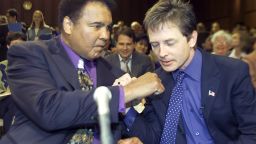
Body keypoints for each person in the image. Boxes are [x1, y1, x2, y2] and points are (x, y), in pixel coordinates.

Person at [0, 0, 164, 144]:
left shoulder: (111, 71)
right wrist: (126, 92)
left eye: (108, 28)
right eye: (96, 26)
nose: (106, 35)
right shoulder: (30, 54)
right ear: (68, 25)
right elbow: (48, 109)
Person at [122, 0, 256, 144]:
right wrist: (126, 106)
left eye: (170, 43)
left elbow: (251, 132)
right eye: (155, 45)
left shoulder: (232, 72)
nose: (161, 53)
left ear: (192, 39)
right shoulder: (157, 81)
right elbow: (153, 136)